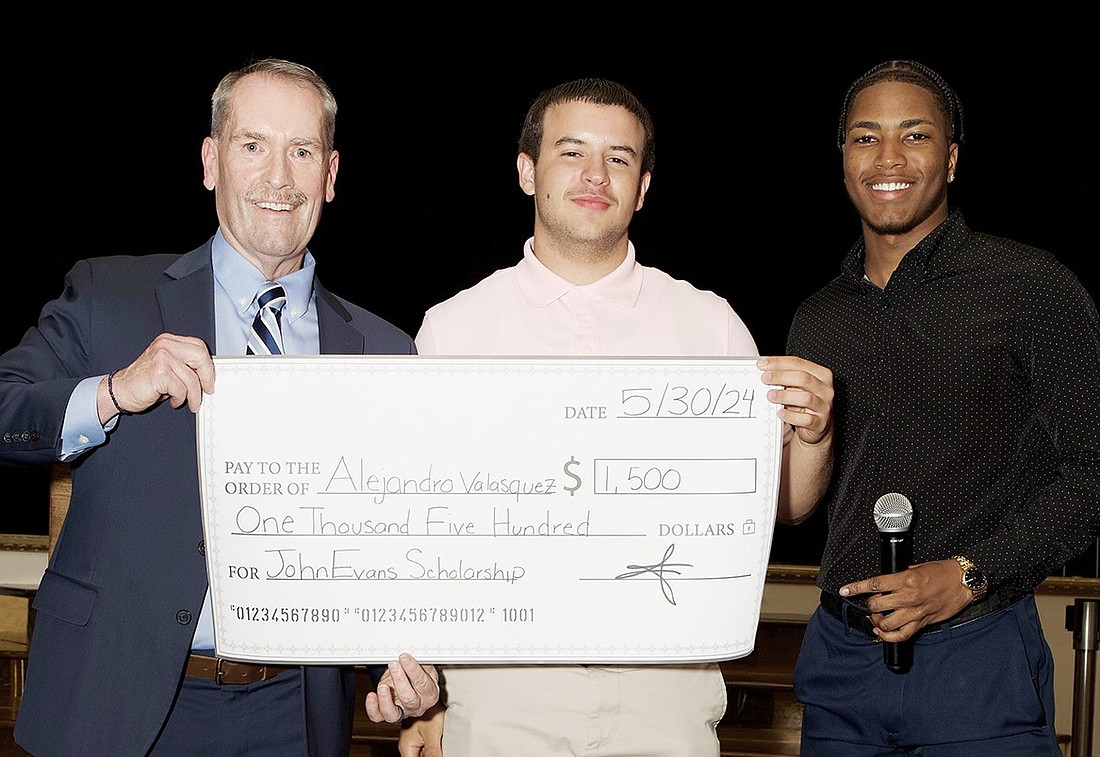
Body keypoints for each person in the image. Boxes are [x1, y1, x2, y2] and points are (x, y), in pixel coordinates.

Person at [0, 58, 439, 756]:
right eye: (252, 145)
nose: (278, 176)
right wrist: (115, 390)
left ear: (329, 175)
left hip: (295, 712)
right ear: (211, 161)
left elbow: (400, 544)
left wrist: (405, 658)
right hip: (117, 700)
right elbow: (7, 409)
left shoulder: (387, 351)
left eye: (301, 151)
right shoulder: (108, 297)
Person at [393, 77, 835, 757]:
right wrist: (428, 694)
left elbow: (782, 504)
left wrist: (815, 432)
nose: (595, 175)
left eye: (619, 158)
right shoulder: (453, 328)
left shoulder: (709, 324)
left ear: (644, 184)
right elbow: (416, 517)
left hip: (666, 686)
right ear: (526, 170)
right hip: (503, 684)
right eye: (571, 152)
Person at [784, 59, 1100, 755]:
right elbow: (800, 503)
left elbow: (1091, 472)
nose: (888, 158)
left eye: (916, 135)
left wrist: (966, 572)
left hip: (977, 662)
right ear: (843, 158)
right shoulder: (818, 319)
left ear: (951, 158)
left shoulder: (1032, 288)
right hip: (841, 666)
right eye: (865, 138)